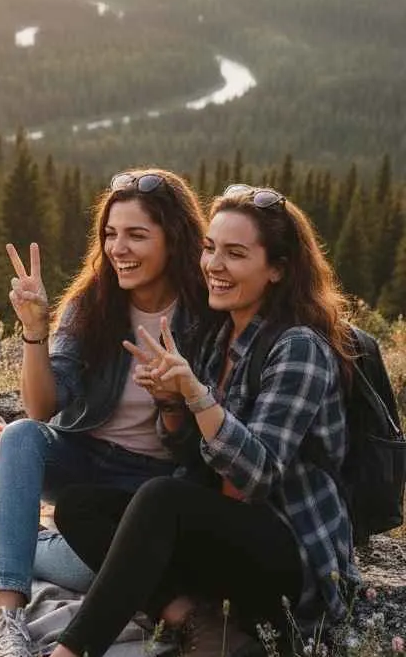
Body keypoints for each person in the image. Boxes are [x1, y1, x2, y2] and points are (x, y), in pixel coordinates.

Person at [48, 184, 359, 657]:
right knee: (78, 506)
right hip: (225, 537)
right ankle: (197, 620)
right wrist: (172, 405)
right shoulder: (220, 337)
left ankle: (70, 652)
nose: (214, 264)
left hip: (291, 556)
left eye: (235, 254)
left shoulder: (298, 347)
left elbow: (257, 476)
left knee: (162, 498)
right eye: (210, 248)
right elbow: (191, 454)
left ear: (277, 269)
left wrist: (196, 394)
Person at [0, 169, 214, 657]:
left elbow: (200, 442)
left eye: (136, 235)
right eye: (110, 234)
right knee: (20, 435)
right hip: (84, 462)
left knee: (97, 573)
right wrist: (35, 331)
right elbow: (42, 407)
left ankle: (1, 540)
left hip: (155, 485)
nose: (118, 249)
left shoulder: (206, 315)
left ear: (173, 240)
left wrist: (172, 399)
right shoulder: (92, 303)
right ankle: (6, 619)